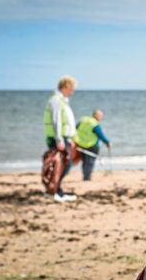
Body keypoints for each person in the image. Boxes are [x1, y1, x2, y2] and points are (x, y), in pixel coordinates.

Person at [43, 75, 78, 203]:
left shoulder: (62, 100)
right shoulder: (56, 100)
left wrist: (69, 138)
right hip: (57, 138)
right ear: (65, 87)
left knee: (63, 165)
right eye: (71, 89)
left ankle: (56, 191)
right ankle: (54, 191)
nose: (72, 92)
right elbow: (56, 121)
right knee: (61, 165)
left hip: (64, 137)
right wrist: (59, 140)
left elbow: (65, 122)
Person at [72, 109, 112, 181]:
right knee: (90, 161)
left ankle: (85, 176)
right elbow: (100, 135)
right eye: (100, 116)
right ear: (97, 116)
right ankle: (87, 177)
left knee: (84, 161)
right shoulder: (95, 124)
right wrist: (107, 142)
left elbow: (75, 129)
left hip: (81, 144)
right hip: (92, 145)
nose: (101, 118)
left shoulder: (83, 120)